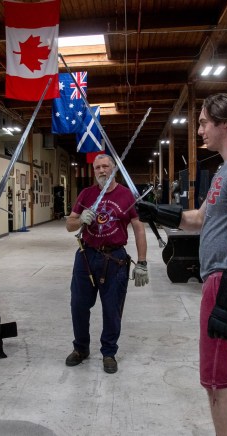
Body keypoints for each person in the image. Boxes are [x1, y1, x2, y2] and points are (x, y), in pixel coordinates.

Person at [136, 93, 227, 436]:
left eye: (203, 122)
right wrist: (158, 211)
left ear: (224, 123)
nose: (199, 131)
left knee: (215, 381)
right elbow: (199, 220)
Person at [65, 153, 149, 374]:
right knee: (78, 306)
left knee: (112, 309)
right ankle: (81, 348)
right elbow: (69, 224)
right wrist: (79, 219)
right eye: (97, 168)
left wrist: (142, 262)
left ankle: (109, 352)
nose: (101, 171)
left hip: (115, 259)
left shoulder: (126, 195)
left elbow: (139, 228)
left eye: (105, 166)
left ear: (114, 169)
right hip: (86, 256)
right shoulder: (86, 194)